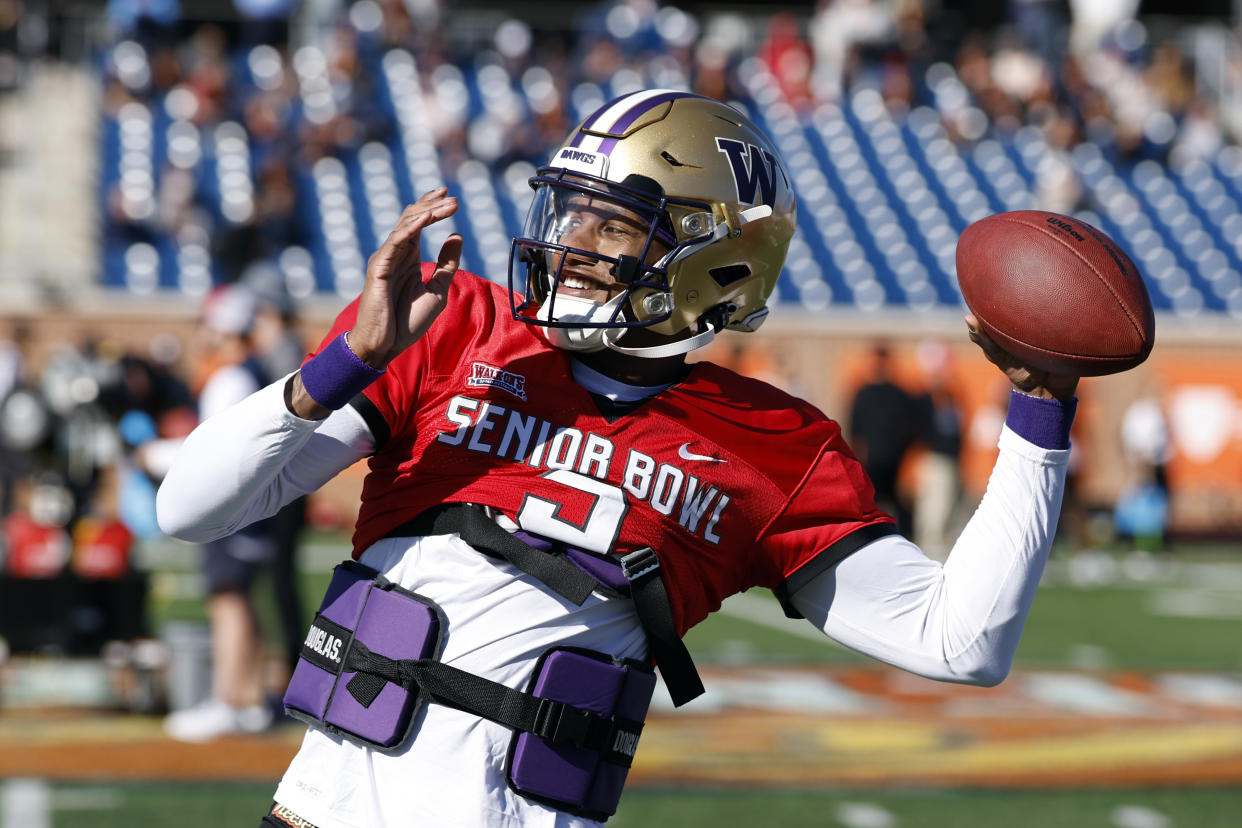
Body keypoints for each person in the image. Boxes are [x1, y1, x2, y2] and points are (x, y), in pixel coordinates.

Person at [156, 90, 1079, 828]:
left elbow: (964, 643)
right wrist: (345, 360)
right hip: (324, 815)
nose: (569, 245)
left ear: (716, 259)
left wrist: (1038, 412)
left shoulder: (770, 447)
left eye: (611, 226)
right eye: (569, 215)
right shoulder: (455, 328)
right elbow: (189, 508)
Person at [163, 284, 278, 741]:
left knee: (227, 597)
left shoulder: (231, 377)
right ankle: (248, 699)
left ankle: (229, 699)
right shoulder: (246, 372)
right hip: (251, 503)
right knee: (243, 598)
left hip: (232, 503)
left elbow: (211, 447)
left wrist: (150, 454)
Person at [848, 341, 919, 536]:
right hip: (871, 462)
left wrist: (901, 452)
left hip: (894, 462)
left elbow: (912, 427)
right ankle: (869, 537)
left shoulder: (899, 394)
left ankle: (905, 536)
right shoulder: (863, 393)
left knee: (898, 503)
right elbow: (854, 428)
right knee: (869, 503)